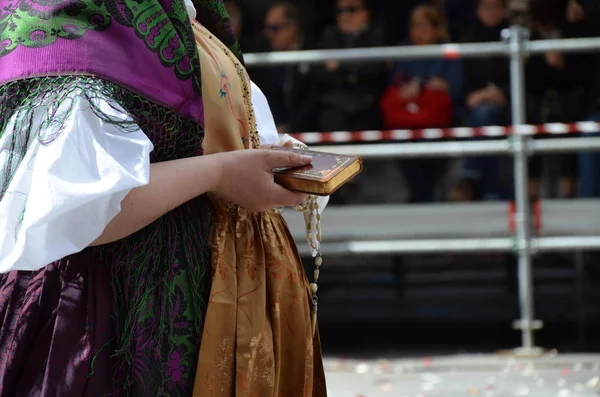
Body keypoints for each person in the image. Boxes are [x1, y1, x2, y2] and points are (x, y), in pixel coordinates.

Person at [0, 1, 326, 396]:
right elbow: (73, 208)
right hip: (121, 318)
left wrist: (265, 156)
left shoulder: (183, 13)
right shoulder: (70, 15)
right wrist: (220, 173)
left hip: (223, 293)